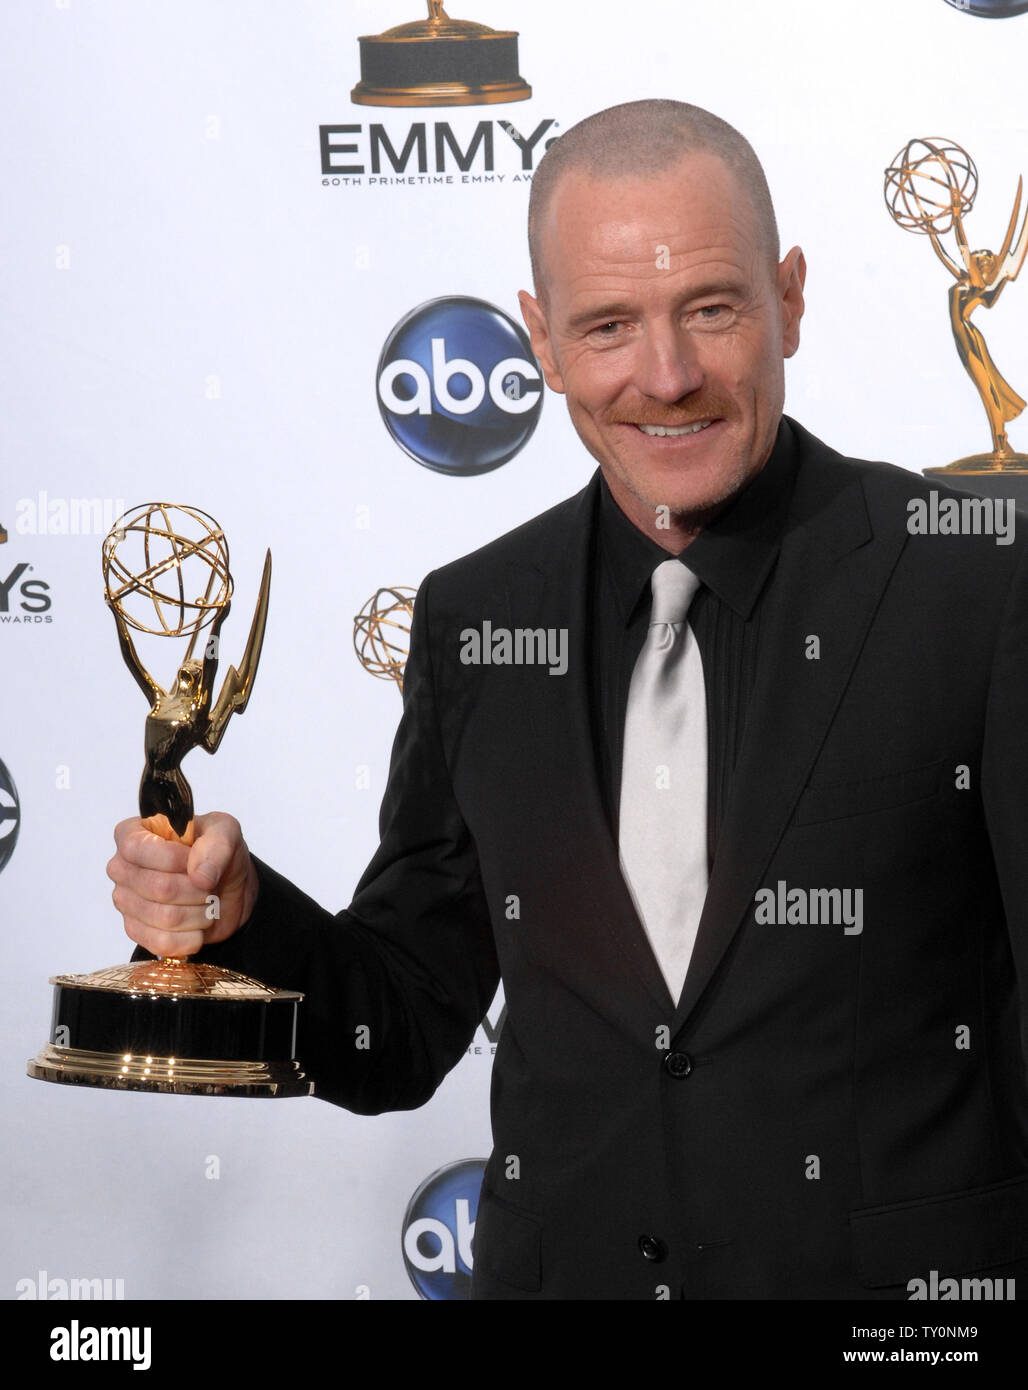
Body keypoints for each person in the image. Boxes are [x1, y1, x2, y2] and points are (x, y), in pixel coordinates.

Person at [107, 99, 1028, 1300]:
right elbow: (401, 1026)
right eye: (607, 325)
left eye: (709, 307)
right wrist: (240, 920)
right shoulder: (474, 619)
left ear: (789, 298)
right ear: (538, 342)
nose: (666, 375)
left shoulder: (973, 581)